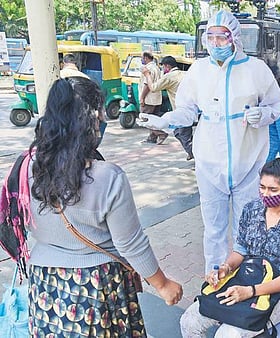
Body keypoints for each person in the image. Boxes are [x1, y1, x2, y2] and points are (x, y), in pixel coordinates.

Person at [25, 77, 183, 336]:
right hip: (95, 288)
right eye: (99, 112)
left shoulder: (28, 168)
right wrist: (163, 284)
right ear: (90, 119)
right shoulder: (107, 177)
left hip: (45, 284)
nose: (103, 119)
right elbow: (130, 244)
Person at [137, 10, 280, 273]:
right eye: (211, 37)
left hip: (248, 161)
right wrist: (165, 120)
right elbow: (187, 110)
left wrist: (262, 115)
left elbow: (276, 105)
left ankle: (247, 277)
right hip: (209, 162)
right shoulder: (198, 71)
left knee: (248, 225)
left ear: (234, 37)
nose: (216, 44)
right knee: (213, 228)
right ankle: (214, 278)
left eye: (222, 37)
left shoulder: (255, 69)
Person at [180, 158, 280, 337]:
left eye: (274, 190)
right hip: (246, 277)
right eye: (262, 187)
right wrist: (225, 268)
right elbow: (240, 252)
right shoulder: (252, 210)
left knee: (227, 335)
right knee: (189, 322)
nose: (266, 194)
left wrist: (250, 292)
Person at [142, 55, 194, 160]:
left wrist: (147, 75)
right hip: (191, 109)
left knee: (182, 134)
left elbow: (153, 88)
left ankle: (195, 155)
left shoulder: (169, 77)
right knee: (180, 132)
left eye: (163, 68)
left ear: (166, 66)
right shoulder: (184, 74)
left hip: (181, 111)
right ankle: (193, 151)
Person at [139, 51, 167, 145]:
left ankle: (161, 134)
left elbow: (147, 85)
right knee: (153, 119)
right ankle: (152, 138)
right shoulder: (157, 68)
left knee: (145, 119)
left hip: (149, 99)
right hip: (157, 98)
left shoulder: (147, 69)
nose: (141, 60)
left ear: (146, 58)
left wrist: (142, 97)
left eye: (142, 58)